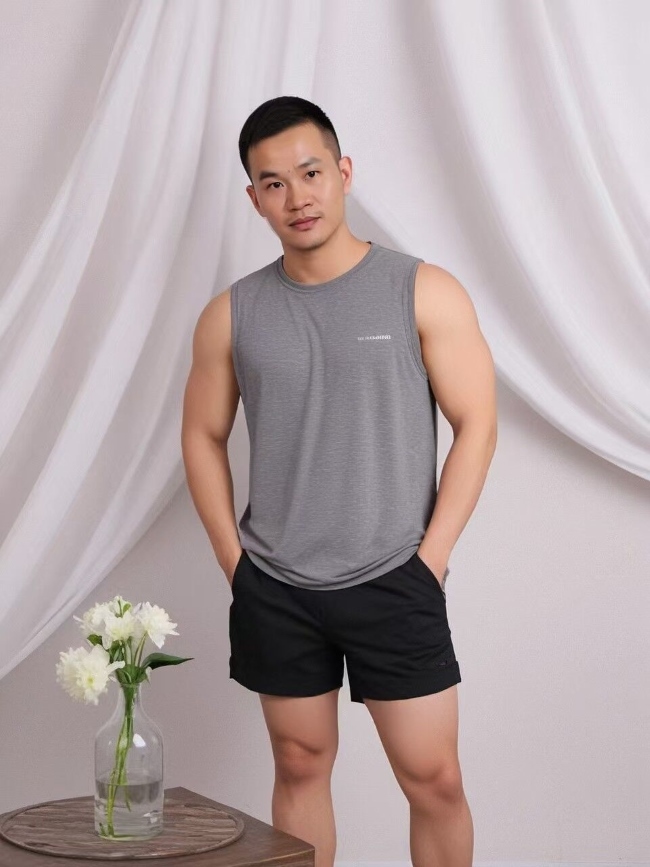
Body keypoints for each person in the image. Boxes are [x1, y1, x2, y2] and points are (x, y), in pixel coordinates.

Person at [181, 95, 497, 867]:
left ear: (344, 172)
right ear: (255, 199)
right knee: (298, 766)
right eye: (274, 183)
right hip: (277, 583)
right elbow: (202, 434)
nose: (298, 196)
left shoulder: (423, 289)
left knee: (435, 778)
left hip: (395, 575)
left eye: (311, 172)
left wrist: (431, 559)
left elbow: (478, 423)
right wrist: (236, 564)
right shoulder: (232, 314)